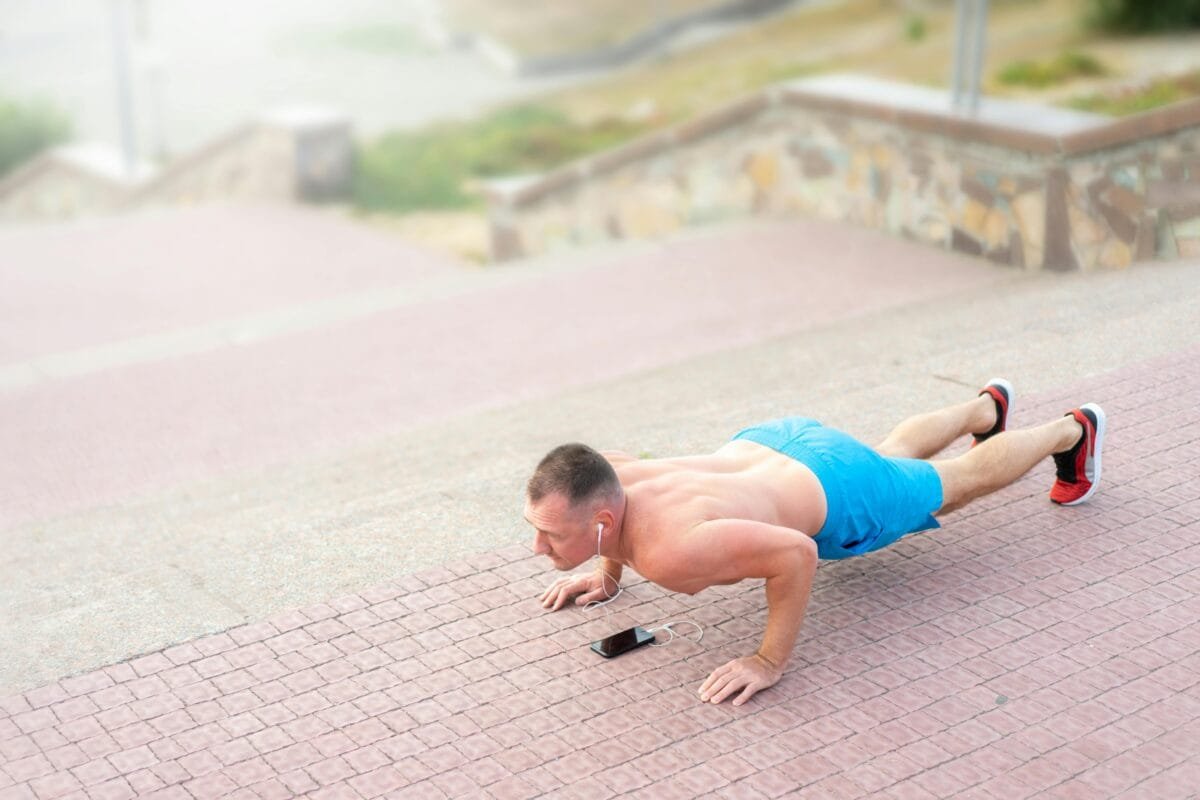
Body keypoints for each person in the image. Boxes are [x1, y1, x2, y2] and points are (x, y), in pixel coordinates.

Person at [524, 380, 1106, 706]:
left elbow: (796, 555)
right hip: (777, 441)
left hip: (837, 488)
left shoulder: (671, 553)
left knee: (955, 484)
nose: (538, 548)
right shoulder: (611, 472)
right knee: (887, 459)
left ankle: (1072, 429)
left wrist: (767, 659)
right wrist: (606, 575)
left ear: (599, 519)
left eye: (551, 535)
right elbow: (612, 518)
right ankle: (985, 406)